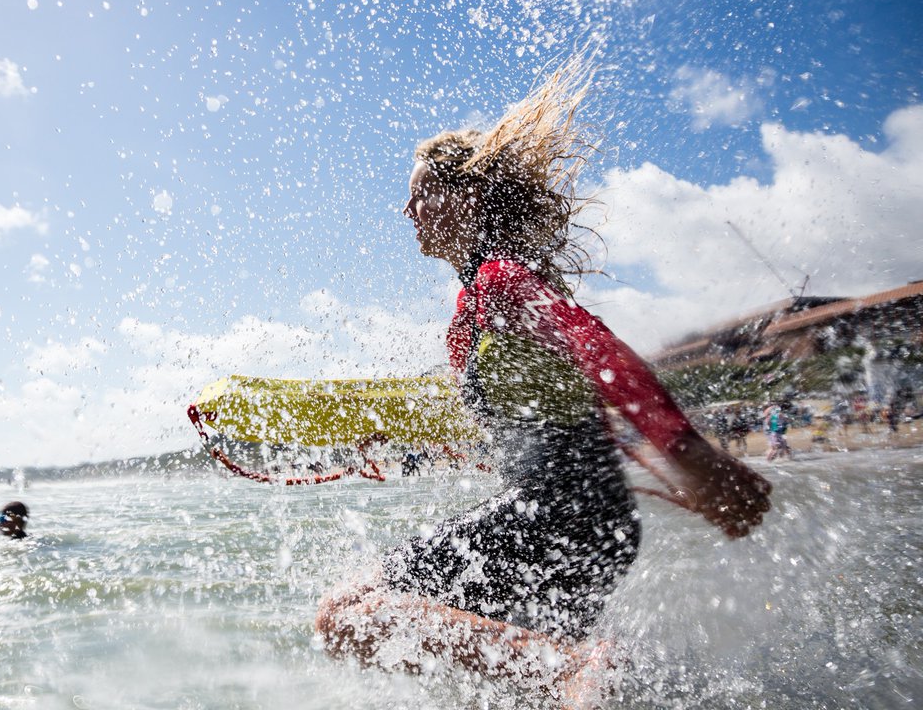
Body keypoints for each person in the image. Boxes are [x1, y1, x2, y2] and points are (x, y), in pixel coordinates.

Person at [315, 60, 772, 684]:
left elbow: (601, 351)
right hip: (593, 528)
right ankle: (584, 677)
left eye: (420, 193)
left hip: (562, 516)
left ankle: (579, 669)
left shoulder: (500, 279)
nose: (406, 208)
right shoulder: (470, 311)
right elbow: (530, 419)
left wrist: (688, 452)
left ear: (466, 198)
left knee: (347, 613)